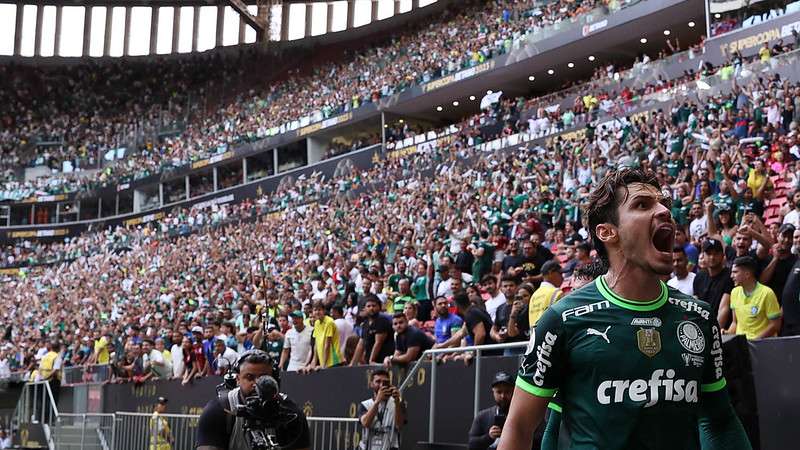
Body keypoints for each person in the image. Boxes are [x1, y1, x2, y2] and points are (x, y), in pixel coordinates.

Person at [499, 168, 751, 450]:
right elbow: (521, 427)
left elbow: (720, 422)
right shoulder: (562, 321)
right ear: (608, 232)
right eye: (642, 204)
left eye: (663, 204)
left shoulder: (700, 317)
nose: (664, 211)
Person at [196, 350, 310, 450]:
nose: (256, 384)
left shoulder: (291, 413)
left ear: (275, 380)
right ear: (238, 379)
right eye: (249, 377)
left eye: (263, 378)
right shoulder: (219, 410)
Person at [725, 256, 782, 340]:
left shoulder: (767, 293)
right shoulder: (734, 292)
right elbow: (735, 323)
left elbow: (775, 325)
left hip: (762, 346)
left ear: (747, 274)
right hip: (742, 346)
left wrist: (755, 341)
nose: (731, 276)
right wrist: (727, 333)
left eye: (735, 272)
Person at [468, 372, 520, 450]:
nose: (503, 396)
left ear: (513, 391)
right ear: (493, 391)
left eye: (507, 391)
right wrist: (488, 437)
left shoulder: (521, 416)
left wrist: (516, 436)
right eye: (499, 392)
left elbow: (539, 440)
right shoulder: (482, 417)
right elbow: (471, 444)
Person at [358, 369, 406, 450]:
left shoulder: (397, 403)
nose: (381, 385)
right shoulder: (365, 404)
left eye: (385, 382)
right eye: (378, 381)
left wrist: (397, 402)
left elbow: (399, 425)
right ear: (371, 384)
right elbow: (365, 423)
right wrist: (377, 401)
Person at [693, 239, 735, 329]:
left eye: (716, 253)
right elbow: (695, 305)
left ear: (723, 256)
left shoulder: (729, 276)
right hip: (702, 326)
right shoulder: (699, 277)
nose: (712, 257)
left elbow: (724, 308)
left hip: (722, 330)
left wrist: (715, 333)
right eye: (709, 254)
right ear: (703, 256)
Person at [351, 295, 395, 366]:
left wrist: (371, 360)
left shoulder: (382, 321)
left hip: (382, 362)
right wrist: (352, 363)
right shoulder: (365, 323)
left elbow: (378, 343)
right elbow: (361, 344)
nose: (371, 308)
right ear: (364, 308)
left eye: (374, 306)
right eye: (368, 306)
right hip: (370, 363)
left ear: (379, 307)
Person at [527, 261, 564, 327]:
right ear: (550, 273)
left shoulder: (534, 295)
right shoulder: (556, 292)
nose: (562, 277)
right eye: (560, 273)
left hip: (534, 335)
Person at [307, 302, 342, 370]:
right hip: (324, 362)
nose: (317, 312)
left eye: (319, 310)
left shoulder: (329, 322)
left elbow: (327, 345)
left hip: (334, 361)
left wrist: (323, 365)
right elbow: (316, 345)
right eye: (315, 310)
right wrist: (313, 362)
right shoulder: (316, 323)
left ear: (324, 311)